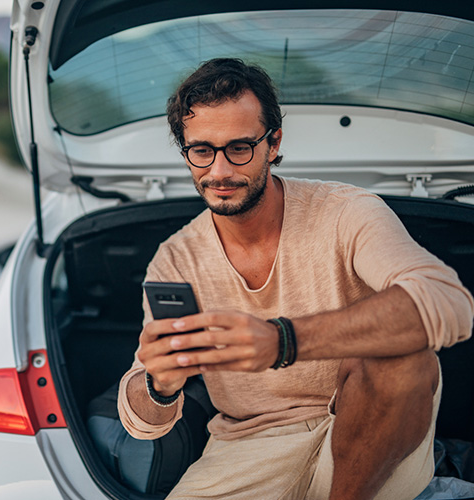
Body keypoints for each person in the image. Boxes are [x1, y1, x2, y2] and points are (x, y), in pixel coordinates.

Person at [117, 58, 474, 500]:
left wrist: (282, 341)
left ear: (274, 142)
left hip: (371, 434)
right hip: (246, 448)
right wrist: (159, 382)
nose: (220, 171)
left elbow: (449, 301)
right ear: (186, 150)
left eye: (240, 148)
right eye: (202, 150)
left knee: (398, 350)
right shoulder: (176, 258)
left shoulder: (348, 212)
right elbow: (145, 424)